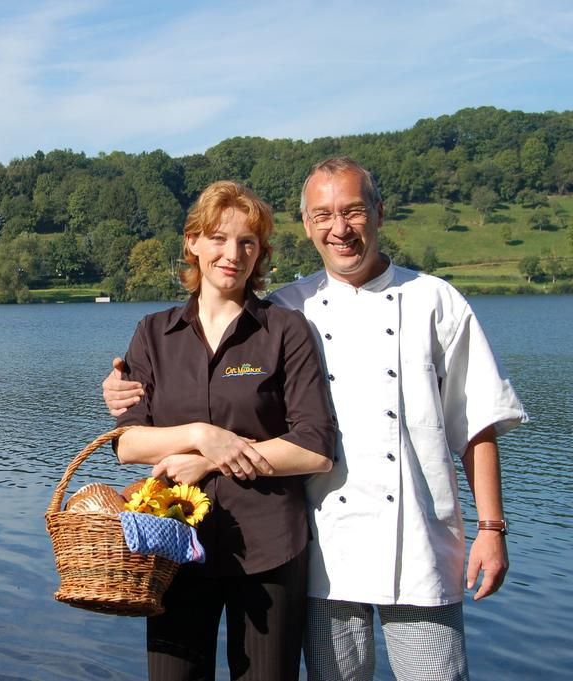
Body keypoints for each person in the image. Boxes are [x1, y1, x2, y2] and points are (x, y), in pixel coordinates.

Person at [104, 157, 527, 681]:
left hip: (415, 541)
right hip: (329, 549)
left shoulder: (431, 300)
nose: (339, 228)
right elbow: (139, 429)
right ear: (307, 225)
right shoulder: (290, 306)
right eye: (323, 214)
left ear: (378, 213)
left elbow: (477, 421)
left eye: (352, 211)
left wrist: (491, 527)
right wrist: (125, 396)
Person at [113, 180, 337, 681]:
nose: (232, 254)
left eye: (247, 242)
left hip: (269, 545)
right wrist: (199, 432)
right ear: (192, 242)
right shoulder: (153, 332)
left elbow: (315, 449)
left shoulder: (286, 331)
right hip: (172, 542)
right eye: (218, 237)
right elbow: (128, 443)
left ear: (261, 254)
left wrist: (214, 457)